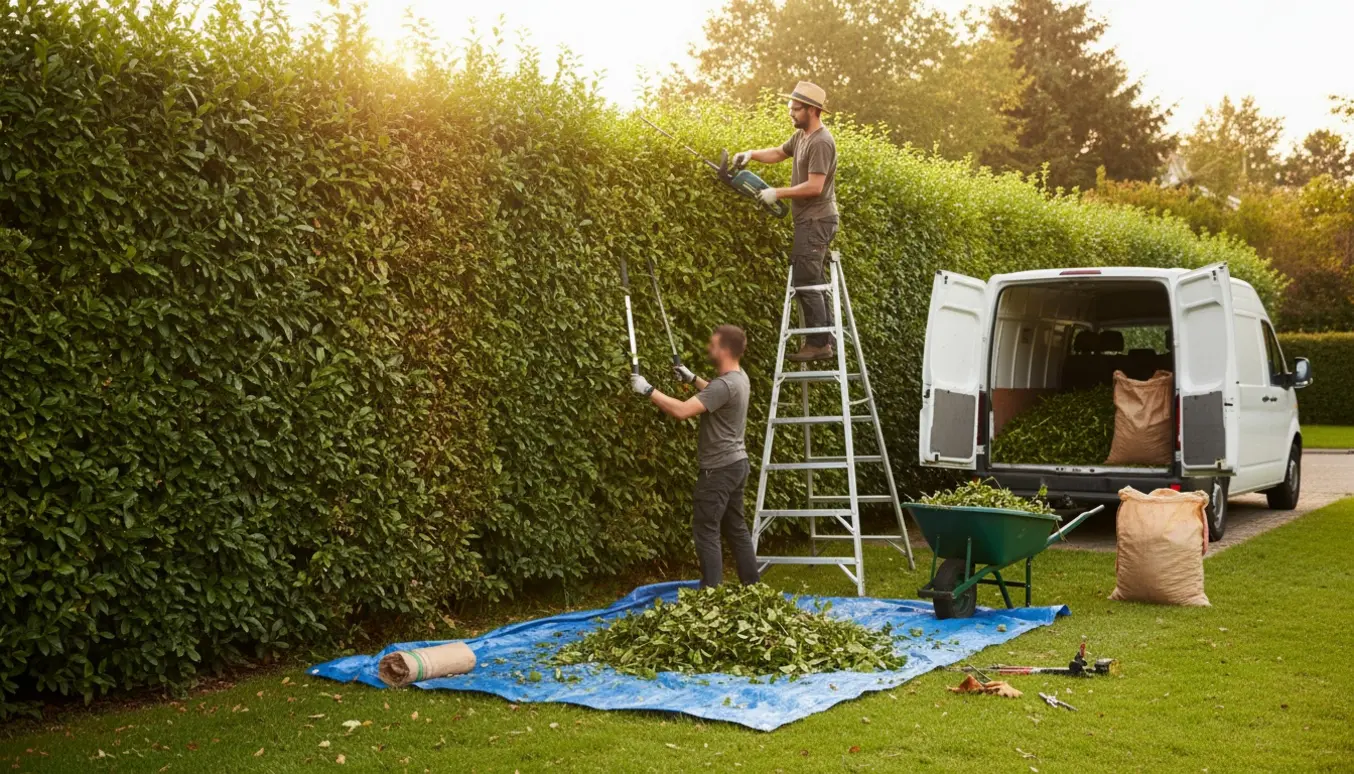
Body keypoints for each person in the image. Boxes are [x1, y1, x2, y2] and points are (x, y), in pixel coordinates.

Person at [630, 325, 760, 588]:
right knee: (735, 528)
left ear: (724, 350)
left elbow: (682, 411)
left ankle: (710, 594)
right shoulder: (739, 378)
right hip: (737, 464)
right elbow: (716, 393)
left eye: (712, 345)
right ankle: (752, 586)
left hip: (719, 470)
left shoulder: (725, 384)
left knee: (706, 530)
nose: (708, 349)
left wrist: (648, 390)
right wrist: (692, 379)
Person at [733, 80, 838, 362]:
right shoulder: (801, 137)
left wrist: (777, 193)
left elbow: (815, 186)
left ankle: (819, 343)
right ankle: (824, 339)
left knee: (806, 277)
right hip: (808, 219)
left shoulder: (821, 142)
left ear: (812, 110)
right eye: (790, 107)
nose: (790, 113)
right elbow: (779, 153)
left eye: (795, 108)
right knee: (811, 275)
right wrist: (751, 154)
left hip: (817, 219)